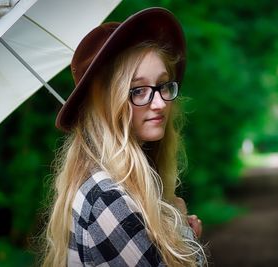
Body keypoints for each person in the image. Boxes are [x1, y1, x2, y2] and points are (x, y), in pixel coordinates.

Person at [42, 7, 206, 267]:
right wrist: (185, 236)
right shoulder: (108, 200)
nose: (161, 103)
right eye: (139, 90)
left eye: (163, 85)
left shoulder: (118, 186)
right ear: (107, 102)